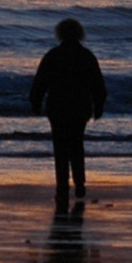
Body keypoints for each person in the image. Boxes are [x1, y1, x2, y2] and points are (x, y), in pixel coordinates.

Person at [29, 16, 106, 205]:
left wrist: (36, 102)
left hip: (58, 106)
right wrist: (98, 105)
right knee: (77, 144)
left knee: (60, 147)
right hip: (80, 106)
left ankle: (62, 187)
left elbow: (40, 82)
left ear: (60, 33)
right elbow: (98, 85)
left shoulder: (53, 55)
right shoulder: (86, 55)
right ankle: (80, 184)